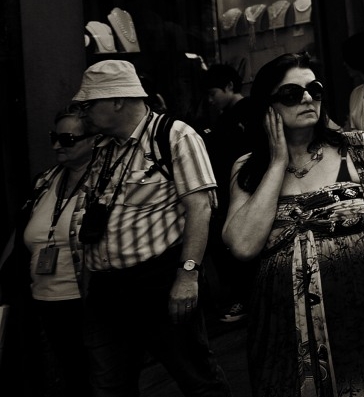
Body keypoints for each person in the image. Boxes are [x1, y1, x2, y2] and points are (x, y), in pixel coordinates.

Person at [223, 53, 364, 396]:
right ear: (268, 107)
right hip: (283, 330)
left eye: (313, 90)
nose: (306, 98)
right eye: (291, 94)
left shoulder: (356, 149)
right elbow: (242, 245)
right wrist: (277, 164)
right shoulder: (249, 168)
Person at [72, 59, 231, 397]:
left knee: (197, 379)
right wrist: (88, 280)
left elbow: (200, 208)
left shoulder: (174, 136)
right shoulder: (102, 147)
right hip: (106, 289)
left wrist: (188, 276)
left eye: (89, 104)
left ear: (117, 100)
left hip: (157, 282)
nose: (83, 113)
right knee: (108, 386)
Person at [0, 108, 98, 396]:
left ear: (94, 140)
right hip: (42, 300)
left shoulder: (104, 184)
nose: (56, 145)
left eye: (67, 139)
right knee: (65, 377)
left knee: (97, 378)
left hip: (85, 302)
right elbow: (21, 232)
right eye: (54, 137)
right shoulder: (44, 181)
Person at [200, 65, 254, 325]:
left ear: (230, 86)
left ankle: (247, 298)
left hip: (245, 189)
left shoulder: (249, 111)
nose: (211, 100)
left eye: (213, 93)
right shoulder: (223, 118)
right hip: (229, 190)